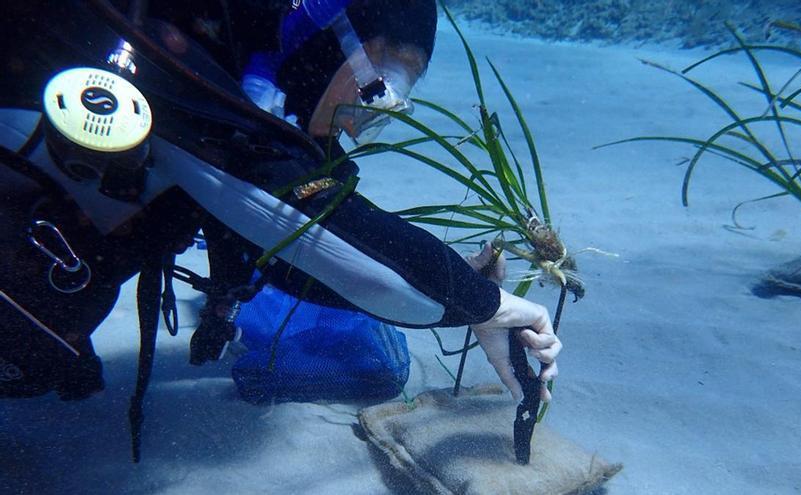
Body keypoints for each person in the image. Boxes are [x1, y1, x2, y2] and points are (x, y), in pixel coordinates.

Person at [0, 0, 561, 460]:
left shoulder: (230, 82)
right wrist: (493, 306)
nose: (381, 105)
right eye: (384, 73)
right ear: (324, 29)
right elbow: (360, 258)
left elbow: (290, 253)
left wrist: (466, 290)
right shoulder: (167, 61)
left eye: (403, 83)